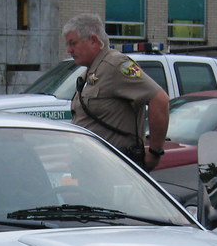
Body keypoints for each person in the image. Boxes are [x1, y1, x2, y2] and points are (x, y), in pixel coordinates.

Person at [62, 13, 169, 171]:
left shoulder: (116, 65)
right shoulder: (91, 72)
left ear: (93, 41)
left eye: (73, 43)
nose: (69, 50)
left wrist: (154, 152)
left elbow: (160, 99)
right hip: (91, 166)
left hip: (114, 168)